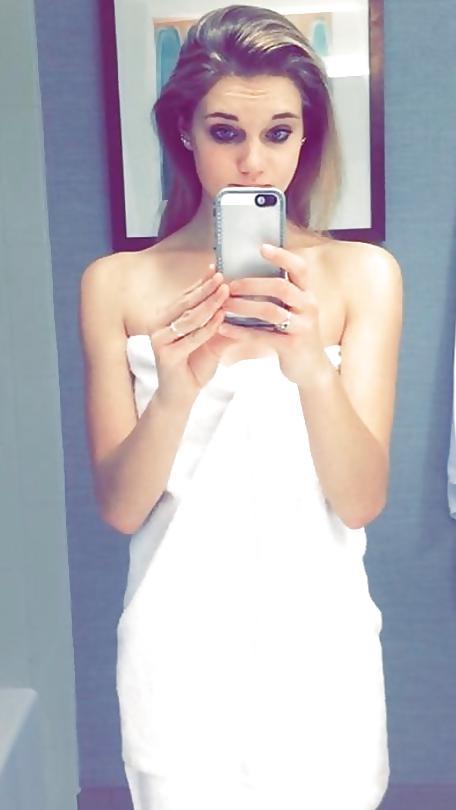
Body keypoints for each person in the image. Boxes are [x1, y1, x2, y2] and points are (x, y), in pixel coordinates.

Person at [79, 5, 402, 809]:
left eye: (278, 133)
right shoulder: (115, 286)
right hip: (175, 657)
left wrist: (311, 367)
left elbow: (360, 499)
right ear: (185, 132)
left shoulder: (364, 277)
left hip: (322, 653)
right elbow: (121, 509)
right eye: (225, 132)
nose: (254, 162)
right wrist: (176, 390)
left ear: (306, 138)